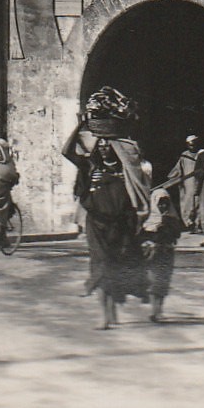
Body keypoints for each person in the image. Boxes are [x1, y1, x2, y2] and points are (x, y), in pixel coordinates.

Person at [61, 87, 153, 329]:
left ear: (115, 148)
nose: (102, 148)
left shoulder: (126, 170)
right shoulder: (90, 169)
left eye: (107, 145)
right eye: (99, 145)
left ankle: (113, 313)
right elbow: (67, 151)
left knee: (119, 265)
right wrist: (80, 126)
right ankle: (105, 316)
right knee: (101, 265)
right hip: (97, 224)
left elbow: (138, 189)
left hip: (121, 224)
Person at [143, 185, 185, 322]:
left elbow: (176, 235)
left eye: (165, 203)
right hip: (152, 255)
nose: (163, 206)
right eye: (160, 203)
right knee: (153, 282)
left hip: (166, 254)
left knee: (163, 282)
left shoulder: (172, 219)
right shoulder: (147, 220)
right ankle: (155, 310)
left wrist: (165, 226)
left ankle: (158, 310)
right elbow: (141, 237)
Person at [162, 135, 204, 231]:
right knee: (188, 203)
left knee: (200, 203)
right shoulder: (184, 155)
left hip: (200, 182)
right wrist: (173, 177)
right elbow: (178, 169)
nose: (192, 147)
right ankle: (189, 223)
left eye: (194, 145)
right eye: (190, 145)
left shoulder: (203, 154)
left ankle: (199, 224)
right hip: (188, 183)